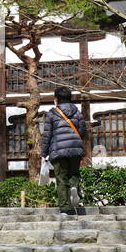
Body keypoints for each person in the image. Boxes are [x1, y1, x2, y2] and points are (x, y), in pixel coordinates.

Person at [40, 87, 88, 215]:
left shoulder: (52, 113)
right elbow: (82, 131)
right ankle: (74, 187)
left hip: (58, 151)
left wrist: (44, 153)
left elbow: (47, 135)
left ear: (56, 99)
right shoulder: (77, 112)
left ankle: (66, 209)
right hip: (75, 149)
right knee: (74, 174)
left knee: (61, 178)